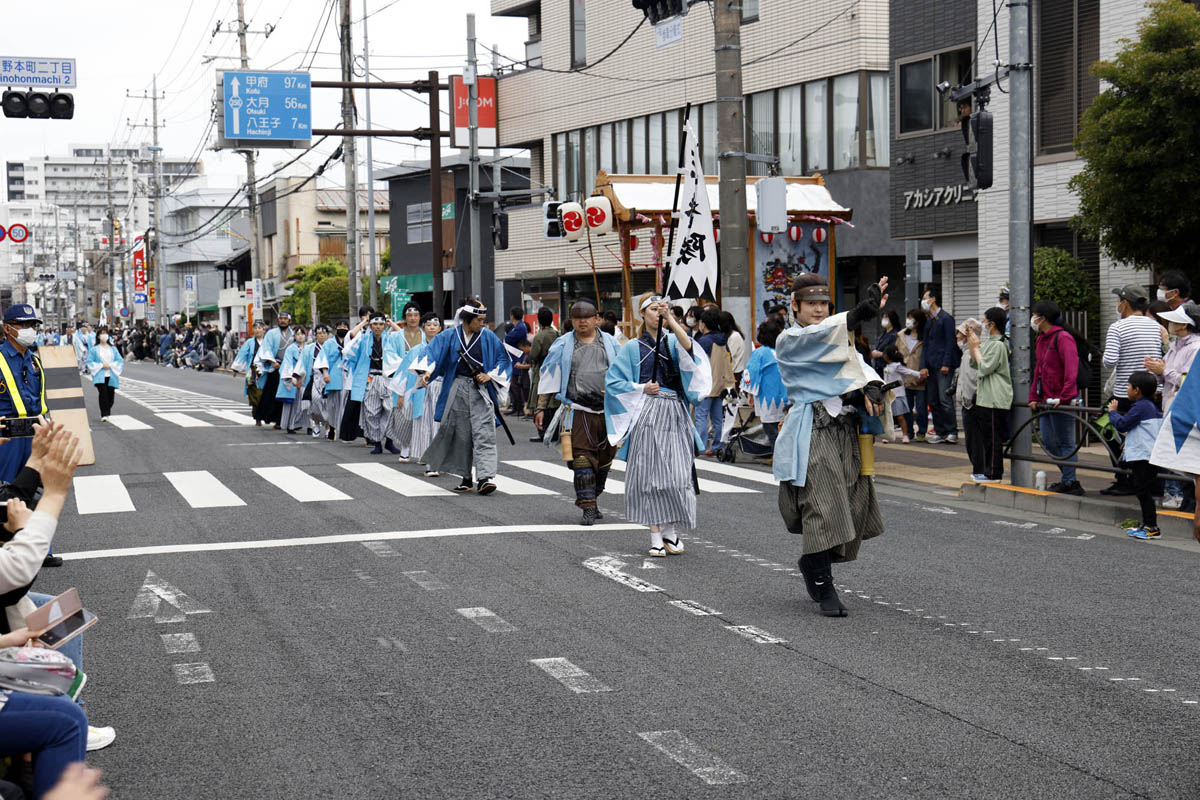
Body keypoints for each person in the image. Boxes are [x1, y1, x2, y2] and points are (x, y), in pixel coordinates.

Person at [775, 273, 887, 618]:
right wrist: (857, 314)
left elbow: (860, 367)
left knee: (853, 502)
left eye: (824, 304)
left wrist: (873, 386)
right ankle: (824, 583)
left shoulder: (841, 340)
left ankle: (812, 563)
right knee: (824, 504)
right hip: (814, 428)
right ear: (795, 306)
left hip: (846, 429)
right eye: (811, 304)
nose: (818, 310)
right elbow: (817, 337)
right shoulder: (790, 339)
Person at [605, 295, 710, 554]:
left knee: (677, 475)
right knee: (649, 476)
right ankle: (655, 533)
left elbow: (690, 351)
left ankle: (670, 530)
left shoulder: (673, 340)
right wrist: (641, 387)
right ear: (643, 314)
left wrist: (671, 320)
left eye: (660, 308)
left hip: (674, 410)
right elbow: (613, 382)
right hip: (647, 411)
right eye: (653, 309)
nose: (657, 313)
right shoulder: (631, 347)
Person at [535, 299, 622, 525]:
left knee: (604, 462)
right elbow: (549, 377)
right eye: (577, 318)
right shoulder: (562, 345)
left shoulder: (612, 344)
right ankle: (588, 507)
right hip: (577, 410)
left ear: (596, 319)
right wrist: (541, 407)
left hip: (607, 411)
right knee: (582, 460)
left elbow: (625, 372)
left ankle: (593, 497)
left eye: (587, 317)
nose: (582, 322)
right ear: (572, 320)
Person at [416, 300, 512, 494]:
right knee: (461, 435)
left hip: (481, 389)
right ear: (468, 319)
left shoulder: (488, 337)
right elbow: (432, 353)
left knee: (484, 433)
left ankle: (485, 478)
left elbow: (504, 358)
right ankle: (466, 477)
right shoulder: (449, 336)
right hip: (457, 386)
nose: (482, 324)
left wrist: (490, 375)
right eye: (479, 320)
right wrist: (427, 372)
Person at [1101, 283, 1164, 495]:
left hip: (1126, 394)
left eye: (1119, 300)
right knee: (1151, 439)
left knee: (1110, 431)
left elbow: (1109, 361)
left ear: (1125, 303)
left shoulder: (1118, 327)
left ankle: (1124, 479)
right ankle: (1153, 484)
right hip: (1155, 392)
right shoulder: (1156, 326)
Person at [1145, 303, 1200, 510]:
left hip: (1187, 414)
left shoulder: (1196, 348)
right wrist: (1158, 370)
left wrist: (1164, 371)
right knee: (1176, 458)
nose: (1168, 323)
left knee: (1187, 459)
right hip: (1172, 409)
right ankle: (1183, 499)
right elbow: (1169, 377)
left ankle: (1185, 500)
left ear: (1185, 325)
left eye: (1173, 320)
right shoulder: (1176, 345)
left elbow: (1189, 382)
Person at [1029, 300, 1083, 495]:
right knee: (1049, 442)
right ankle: (1068, 479)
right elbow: (1038, 370)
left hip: (1061, 399)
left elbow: (1071, 369)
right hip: (1045, 398)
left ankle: (1070, 481)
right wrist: (1033, 395)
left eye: (1034, 315)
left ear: (1042, 318)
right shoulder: (1041, 339)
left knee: (1065, 442)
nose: (1032, 319)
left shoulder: (1063, 337)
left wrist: (1066, 396)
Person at [1108, 371, 1163, 539]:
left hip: (1143, 455)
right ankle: (1147, 524)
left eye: (1129, 386)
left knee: (1142, 490)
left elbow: (1123, 425)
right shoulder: (1150, 406)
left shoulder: (1141, 407)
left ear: (1137, 390)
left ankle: (1151, 527)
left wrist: (1113, 412)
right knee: (1142, 489)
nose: (1127, 389)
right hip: (1148, 454)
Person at [0, 304, 49, 486]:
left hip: (34, 436)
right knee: (6, 495)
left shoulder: (35, 362)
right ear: (7, 328)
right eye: (23, 325)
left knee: (33, 494)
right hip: (6, 438)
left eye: (32, 325)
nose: (29, 330)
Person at [391, 313, 444, 476]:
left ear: (440, 328)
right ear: (423, 328)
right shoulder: (416, 350)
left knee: (438, 426)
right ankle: (429, 461)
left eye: (435, 325)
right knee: (423, 426)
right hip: (421, 389)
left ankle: (435, 460)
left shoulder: (446, 348)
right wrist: (400, 393)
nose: (432, 328)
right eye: (428, 325)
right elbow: (403, 373)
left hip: (441, 389)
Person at [346, 313, 405, 454]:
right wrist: (363, 323)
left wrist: (392, 324)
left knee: (391, 410)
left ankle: (389, 441)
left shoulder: (390, 339)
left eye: (381, 324)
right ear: (371, 326)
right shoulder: (363, 340)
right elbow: (350, 340)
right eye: (375, 324)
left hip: (387, 378)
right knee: (371, 412)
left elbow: (404, 338)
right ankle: (377, 442)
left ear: (384, 325)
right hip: (370, 378)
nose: (378, 327)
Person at [965, 307, 1012, 483]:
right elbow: (975, 363)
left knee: (993, 438)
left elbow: (984, 367)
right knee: (987, 437)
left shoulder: (999, 344)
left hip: (995, 397)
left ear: (992, 324)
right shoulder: (992, 343)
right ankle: (988, 471)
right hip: (987, 396)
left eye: (985, 321)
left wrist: (976, 347)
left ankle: (993, 473)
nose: (984, 324)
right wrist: (972, 345)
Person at [919, 286, 959, 444]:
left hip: (943, 366)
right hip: (931, 365)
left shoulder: (946, 318)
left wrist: (946, 363)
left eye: (925, 298)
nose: (923, 302)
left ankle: (951, 431)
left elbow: (951, 343)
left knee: (945, 399)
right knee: (933, 400)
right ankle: (940, 431)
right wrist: (923, 365)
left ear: (933, 299)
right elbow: (926, 345)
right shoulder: (930, 321)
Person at [742, 316, 787, 451]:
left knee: (772, 430)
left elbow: (752, 374)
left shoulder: (760, 353)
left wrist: (749, 393)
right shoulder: (784, 350)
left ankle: (779, 457)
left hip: (768, 397)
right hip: (787, 396)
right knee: (784, 430)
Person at [694, 308, 733, 456]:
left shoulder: (704, 341)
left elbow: (696, 362)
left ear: (703, 324)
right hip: (721, 384)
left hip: (706, 384)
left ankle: (701, 446)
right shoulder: (723, 339)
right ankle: (717, 445)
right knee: (717, 417)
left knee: (701, 416)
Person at [337, 306, 377, 443]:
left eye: (370, 316)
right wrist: (364, 323)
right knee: (352, 406)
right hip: (356, 375)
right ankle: (348, 434)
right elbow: (351, 336)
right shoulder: (361, 333)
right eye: (366, 316)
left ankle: (369, 436)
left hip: (372, 375)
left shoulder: (378, 333)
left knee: (369, 407)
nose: (369, 318)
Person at [254, 312, 294, 429]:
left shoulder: (293, 334)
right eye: (281, 319)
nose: (283, 321)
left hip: (288, 367)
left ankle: (280, 420)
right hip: (275, 366)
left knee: (285, 393)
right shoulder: (271, 333)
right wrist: (272, 362)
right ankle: (260, 416)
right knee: (270, 393)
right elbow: (266, 349)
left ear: (289, 321)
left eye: (285, 319)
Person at [314, 321, 352, 441]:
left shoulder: (352, 342)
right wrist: (325, 373)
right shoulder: (329, 343)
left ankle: (343, 431)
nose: (342, 329)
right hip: (333, 377)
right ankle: (332, 427)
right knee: (332, 405)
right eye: (340, 327)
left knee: (345, 405)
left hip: (348, 376)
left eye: (345, 327)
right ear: (335, 328)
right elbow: (322, 358)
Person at [527, 308, 559, 442]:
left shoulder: (539, 336)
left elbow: (533, 355)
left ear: (539, 320)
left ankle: (542, 431)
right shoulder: (558, 334)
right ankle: (555, 431)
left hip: (542, 369)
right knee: (554, 402)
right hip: (556, 370)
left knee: (540, 400)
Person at [954, 318, 982, 470]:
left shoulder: (975, 352)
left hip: (974, 403)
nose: (957, 337)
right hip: (967, 403)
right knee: (971, 440)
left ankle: (980, 469)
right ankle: (978, 468)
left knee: (975, 440)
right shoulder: (965, 353)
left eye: (959, 333)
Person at [881, 345, 920, 442]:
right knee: (888, 417)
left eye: (884, 353)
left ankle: (905, 435)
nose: (883, 355)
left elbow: (908, 372)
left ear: (887, 355)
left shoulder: (897, 366)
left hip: (898, 395)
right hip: (888, 395)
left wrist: (919, 374)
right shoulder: (886, 367)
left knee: (900, 417)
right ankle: (888, 436)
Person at [84, 327, 124, 422]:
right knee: (103, 394)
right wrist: (101, 366)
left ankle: (107, 409)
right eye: (102, 333)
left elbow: (120, 360)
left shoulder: (113, 348)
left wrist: (111, 365)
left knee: (111, 396)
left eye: (105, 333)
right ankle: (104, 414)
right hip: (100, 375)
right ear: (98, 336)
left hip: (111, 374)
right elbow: (89, 361)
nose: (104, 335)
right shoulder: (94, 349)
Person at [232, 321, 267, 422]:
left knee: (264, 394)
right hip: (252, 372)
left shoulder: (268, 342)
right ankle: (257, 417)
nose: (257, 330)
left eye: (260, 328)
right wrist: (236, 369)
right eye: (255, 328)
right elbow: (242, 355)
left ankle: (263, 414)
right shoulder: (249, 342)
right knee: (254, 395)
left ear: (264, 330)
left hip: (265, 371)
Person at [277, 328, 310, 434]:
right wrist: (292, 377)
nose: (300, 336)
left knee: (307, 403)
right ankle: (290, 425)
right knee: (292, 404)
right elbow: (287, 363)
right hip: (294, 377)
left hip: (306, 377)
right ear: (294, 336)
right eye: (297, 334)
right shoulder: (291, 349)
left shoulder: (309, 348)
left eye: (302, 334)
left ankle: (310, 426)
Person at [304, 325, 330, 438]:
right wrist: (298, 376)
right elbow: (302, 362)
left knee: (328, 404)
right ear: (315, 335)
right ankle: (316, 423)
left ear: (328, 335)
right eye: (319, 333)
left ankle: (328, 426)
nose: (322, 335)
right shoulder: (309, 348)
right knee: (313, 401)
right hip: (314, 377)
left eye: (324, 333)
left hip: (328, 378)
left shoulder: (332, 347)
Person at [504, 307, 530, 417]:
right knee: (514, 383)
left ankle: (519, 407)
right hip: (514, 357)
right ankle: (516, 406)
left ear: (512, 316)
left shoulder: (520, 327)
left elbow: (508, 339)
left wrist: (507, 337)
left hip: (518, 357)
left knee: (516, 384)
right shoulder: (518, 326)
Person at [870, 310, 900, 375]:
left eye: (886, 317)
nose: (884, 319)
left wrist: (881, 354)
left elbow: (895, 351)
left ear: (892, 319)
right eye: (883, 317)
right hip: (878, 367)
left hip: (888, 368)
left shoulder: (895, 334)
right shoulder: (883, 334)